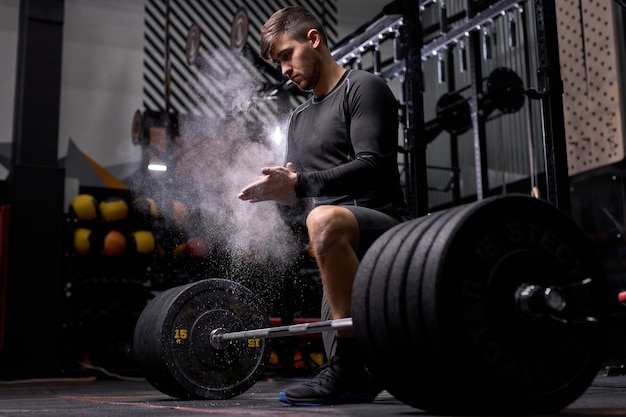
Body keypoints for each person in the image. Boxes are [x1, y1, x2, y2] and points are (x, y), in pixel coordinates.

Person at [238, 6, 413, 406]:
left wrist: (299, 186)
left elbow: (373, 165)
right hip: (332, 237)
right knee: (359, 385)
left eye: (286, 55)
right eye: (277, 62)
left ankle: (349, 365)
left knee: (324, 217)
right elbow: (303, 204)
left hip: (384, 232)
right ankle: (352, 367)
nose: (283, 69)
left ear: (313, 40)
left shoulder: (363, 88)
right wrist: (281, 198)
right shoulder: (299, 120)